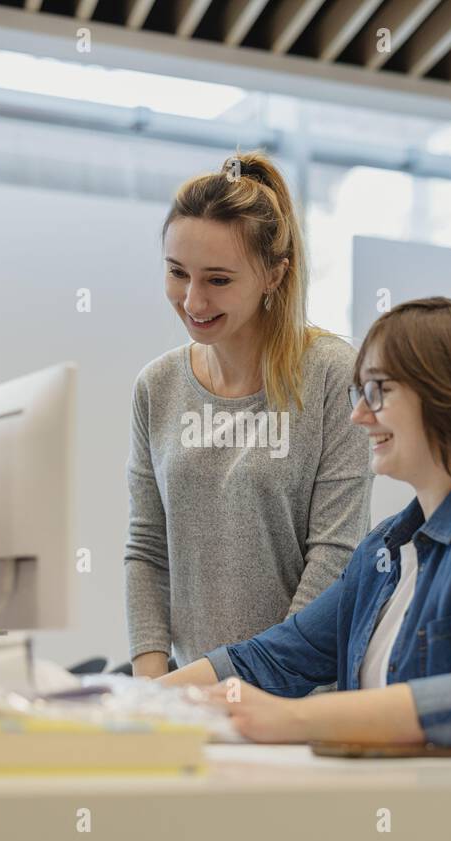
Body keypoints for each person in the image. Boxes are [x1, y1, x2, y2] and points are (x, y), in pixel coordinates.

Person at [159, 295, 451, 755]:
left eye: (378, 390)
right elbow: (271, 660)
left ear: (449, 394)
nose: (358, 414)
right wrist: (136, 702)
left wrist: (290, 718)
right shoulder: (385, 552)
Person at [126, 151, 372, 678]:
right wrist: (151, 693)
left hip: (300, 696)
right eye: (177, 273)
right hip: (191, 697)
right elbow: (148, 549)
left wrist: (254, 684)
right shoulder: (158, 387)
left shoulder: (331, 374)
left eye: (218, 280)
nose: (192, 301)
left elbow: (335, 556)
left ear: (274, 275)